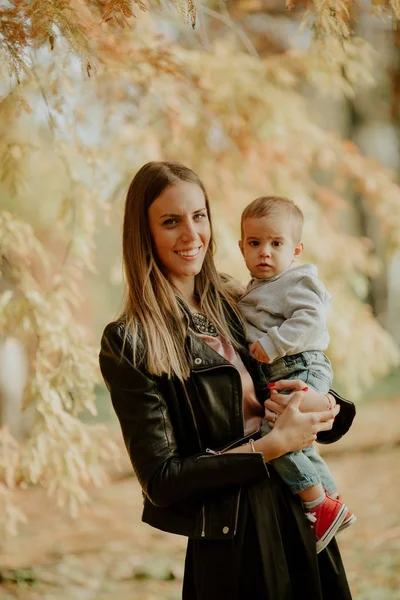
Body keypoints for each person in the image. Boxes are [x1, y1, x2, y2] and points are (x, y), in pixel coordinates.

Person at [99, 161, 356, 600]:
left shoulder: (242, 302)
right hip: (235, 537)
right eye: (170, 221)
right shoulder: (131, 341)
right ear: (144, 234)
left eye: (199, 216)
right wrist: (274, 444)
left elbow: (309, 372)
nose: (191, 234)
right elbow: (162, 480)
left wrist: (320, 404)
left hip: (303, 514)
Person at [237, 195, 356, 553]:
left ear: (296, 249)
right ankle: (330, 499)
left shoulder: (296, 281)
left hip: (301, 364)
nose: (265, 252)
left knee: (278, 436)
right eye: (255, 243)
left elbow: (311, 319)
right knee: (296, 438)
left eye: (276, 243)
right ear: (241, 246)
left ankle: (317, 505)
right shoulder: (256, 288)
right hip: (285, 367)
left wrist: (273, 344)